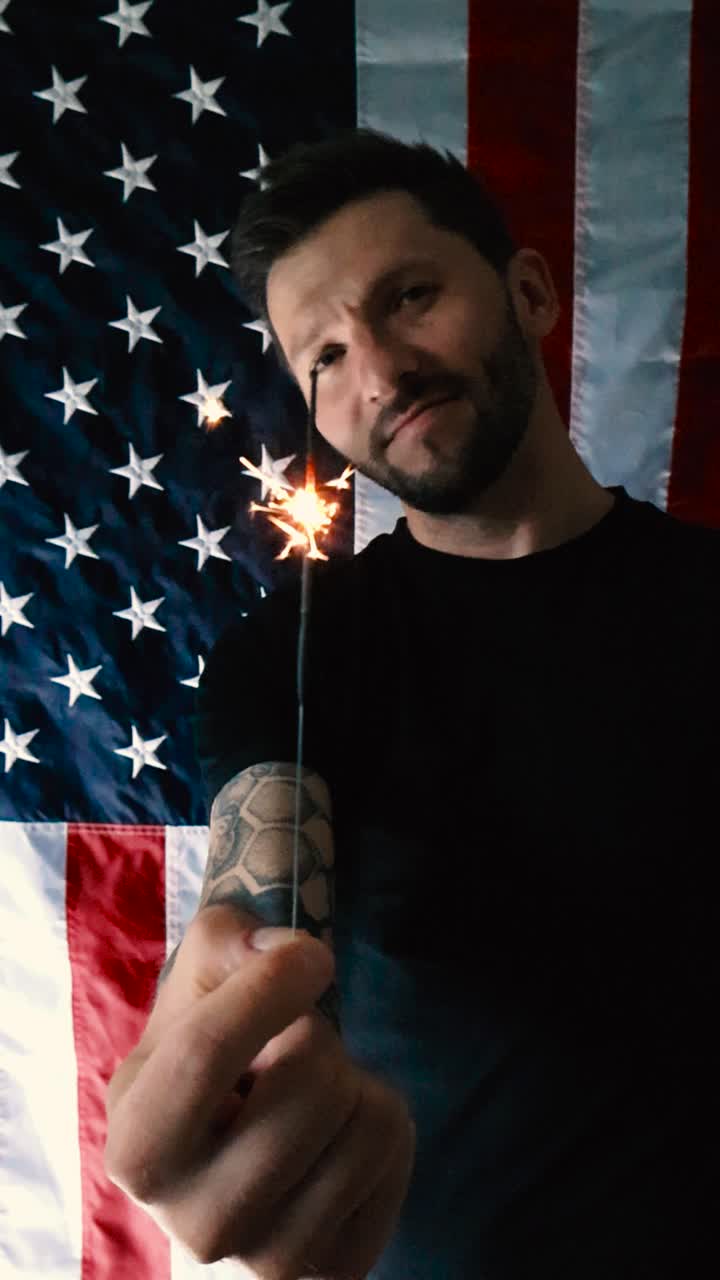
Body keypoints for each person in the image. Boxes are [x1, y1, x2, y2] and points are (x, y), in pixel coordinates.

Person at [106, 128, 720, 1278]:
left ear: (529, 293)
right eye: (327, 356)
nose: (381, 372)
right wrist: (236, 1051)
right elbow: (260, 904)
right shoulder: (293, 653)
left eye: (411, 297)